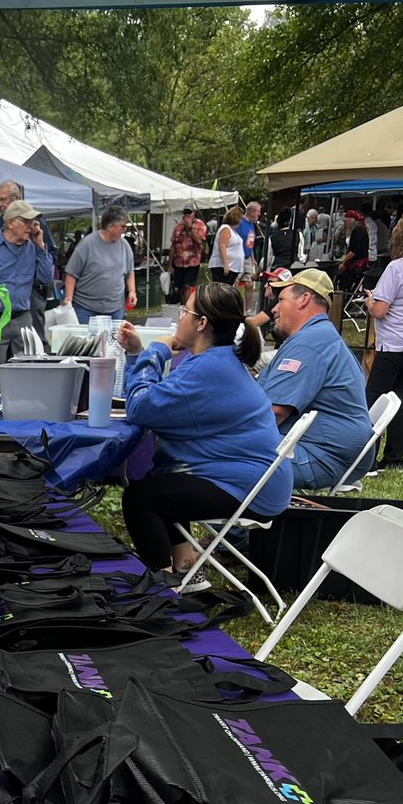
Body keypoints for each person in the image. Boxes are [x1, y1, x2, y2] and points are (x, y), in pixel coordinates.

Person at [118, 282, 290, 581]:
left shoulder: (208, 369)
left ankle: (162, 588)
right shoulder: (217, 361)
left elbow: (140, 408)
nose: (178, 319)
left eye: (184, 311)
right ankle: (187, 571)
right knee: (163, 481)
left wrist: (155, 351)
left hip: (251, 488)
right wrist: (137, 353)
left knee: (140, 499)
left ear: (202, 323)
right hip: (258, 480)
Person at [259, 268, 375, 490]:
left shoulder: (308, 344)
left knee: (223, 464)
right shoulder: (320, 335)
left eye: (281, 300)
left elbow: (273, 413)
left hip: (320, 457)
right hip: (330, 453)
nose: (274, 309)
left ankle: (241, 523)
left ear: (304, 299)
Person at [364, 211, 403, 470]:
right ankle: (395, 458)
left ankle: (367, 461)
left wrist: (370, 302)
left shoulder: (397, 268)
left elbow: (380, 310)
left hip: (394, 343)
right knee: (398, 398)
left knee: (374, 399)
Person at [0, 198, 54, 388]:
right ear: (10, 223)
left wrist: (40, 245)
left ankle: (23, 410)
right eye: (26, 221)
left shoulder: (32, 248)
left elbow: (46, 279)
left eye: (33, 222)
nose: (31, 226)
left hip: (23, 318)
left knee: (28, 373)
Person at [61, 206, 135, 323]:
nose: (125, 229)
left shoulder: (125, 246)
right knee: (88, 341)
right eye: (122, 226)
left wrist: (132, 292)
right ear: (110, 227)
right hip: (86, 309)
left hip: (115, 309)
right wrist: (69, 297)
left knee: (114, 341)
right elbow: (72, 273)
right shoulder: (87, 244)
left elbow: (130, 272)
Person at [169, 206, 206, 304]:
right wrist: (170, 265)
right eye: (185, 212)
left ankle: (187, 308)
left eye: (189, 212)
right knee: (180, 287)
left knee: (187, 286)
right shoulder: (178, 227)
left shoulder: (200, 225)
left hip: (192, 262)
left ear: (194, 213)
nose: (187, 214)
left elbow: (199, 241)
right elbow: (173, 245)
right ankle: (182, 307)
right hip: (179, 262)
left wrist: (190, 228)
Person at [208, 206, 245, 284]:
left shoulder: (232, 230)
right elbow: (222, 246)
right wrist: (226, 264)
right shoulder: (226, 229)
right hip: (223, 266)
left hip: (233, 267)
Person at [338, 209, 371, 279]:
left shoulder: (359, 230)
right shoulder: (355, 230)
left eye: (347, 221)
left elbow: (354, 250)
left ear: (352, 220)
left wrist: (343, 261)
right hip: (355, 261)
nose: (345, 223)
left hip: (358, 263)